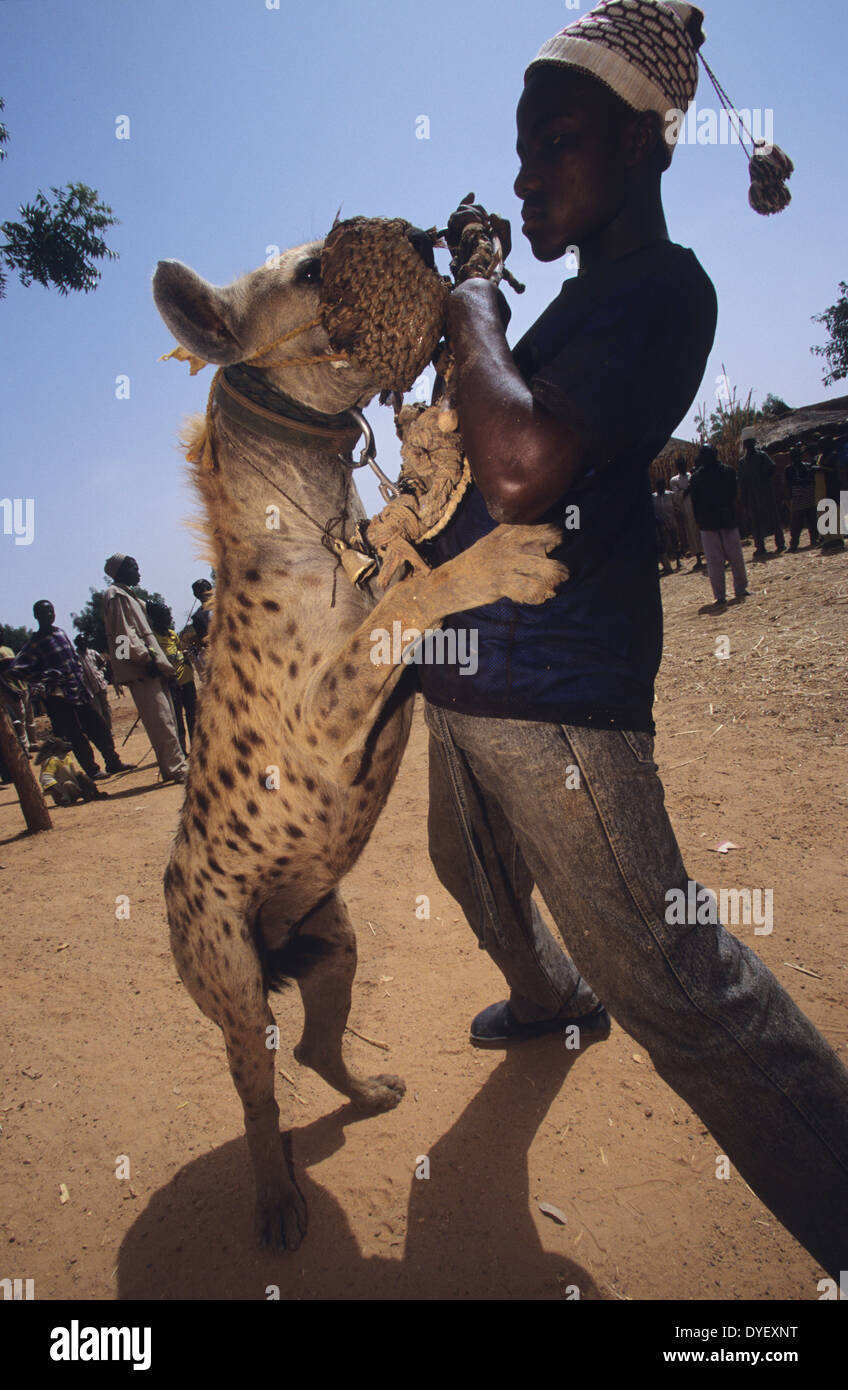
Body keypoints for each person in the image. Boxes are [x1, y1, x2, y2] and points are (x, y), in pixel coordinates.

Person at [417, 0, 848, 1282]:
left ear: (648, 148)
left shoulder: (660, 290)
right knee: (463, 858)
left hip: (555, 700)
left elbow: (520, 466)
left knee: (682, 985)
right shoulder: (581, 305)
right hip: (473, 670)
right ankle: (552, 998)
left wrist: (470, 304)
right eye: (520, 148)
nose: (526, 172)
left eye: (558, 141)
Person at [7, 602, 128, 778]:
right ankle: (92, 770)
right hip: (59, 697)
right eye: (44, 612)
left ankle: (113, 762)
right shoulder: (34, 642)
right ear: (36, 616)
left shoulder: (60, 633)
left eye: (51, 611)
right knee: (76, 735)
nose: (49, 615)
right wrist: (43, 677)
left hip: (79, 691)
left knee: (99, 727)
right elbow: (16, 669)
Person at [102, 555, 187, 784]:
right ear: (121, 571)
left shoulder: (128, 595)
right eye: (134, 567)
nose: (138, 571)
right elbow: (122, 636)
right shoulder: (116, 595)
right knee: (161, 722)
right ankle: (176, 768)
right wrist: (142, 660)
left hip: (150, 667)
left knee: (167, 719)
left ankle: (176, 765)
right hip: (143, 670)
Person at [688, 444, 748, 608]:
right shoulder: (696, 478)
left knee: (735, 556)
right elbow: (696, 503)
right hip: (709, 523)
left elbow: (733, 494)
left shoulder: (727, 472)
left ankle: (740, 589)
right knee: (715, 562)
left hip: (725, 519)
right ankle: (720, 595)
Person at [146, 600, 197, 754]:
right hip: (171, 683)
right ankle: (181, 749)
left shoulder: (173, 635)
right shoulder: (151, 638)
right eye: (165, 615)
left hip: (187, 679)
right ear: (156, 617)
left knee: (193, 715)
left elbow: (180, 652)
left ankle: (197, 747)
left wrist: (187, 654)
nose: (169, 617)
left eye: (168, 614)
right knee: (177, 719)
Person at [738, 430, 785, 558]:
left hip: (766, 493)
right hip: (752, 496)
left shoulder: (762, 456)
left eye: (751, 443)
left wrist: (764, 479)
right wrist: (744, 498)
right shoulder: (742, 462)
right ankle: (760, 547)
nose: (749, 445)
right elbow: (742, 481)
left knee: (773, 518)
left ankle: (780, 543)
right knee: (756, 522)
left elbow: (772, 468)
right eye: (747, 443)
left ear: (753, 443)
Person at [73, 634, 113, 730]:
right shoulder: (75, 657)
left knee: (106, 709)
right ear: (77, 643)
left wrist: (101, 673)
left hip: (100, 685)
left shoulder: (93, 652)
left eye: (84, 641)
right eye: (80, 642)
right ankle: (104, 731)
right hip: (88, 689)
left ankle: (109, 729)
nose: (83, 643)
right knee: (97, 711)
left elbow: (103, 663)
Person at [669, 453, 702, 566]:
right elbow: (677, 495)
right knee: (692, 532)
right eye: (679, 465)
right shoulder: (674, 480)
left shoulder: (691, 475)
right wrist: (689, 489)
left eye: (683, 464)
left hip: (697, 504)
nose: (682, 466)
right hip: (687, 508)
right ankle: (698, 558)